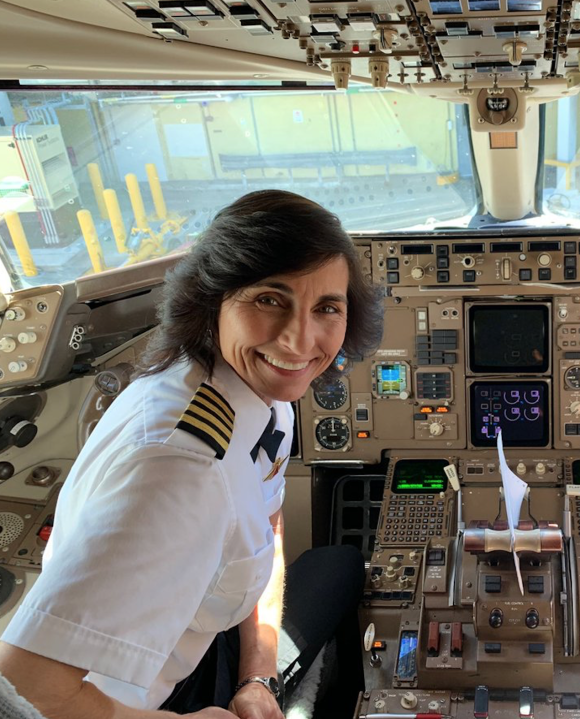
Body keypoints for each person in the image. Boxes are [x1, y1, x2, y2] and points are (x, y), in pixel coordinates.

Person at [0, 190, 384, 718]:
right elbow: (29, 685)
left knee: (340, 564)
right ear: (213, 299)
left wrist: (258, 678)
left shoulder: (259, 392)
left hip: (205, 639)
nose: (300, 341)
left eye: (326, 308)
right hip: (137, 700)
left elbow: (264, 520)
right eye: (270, 299)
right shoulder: (179, 469)